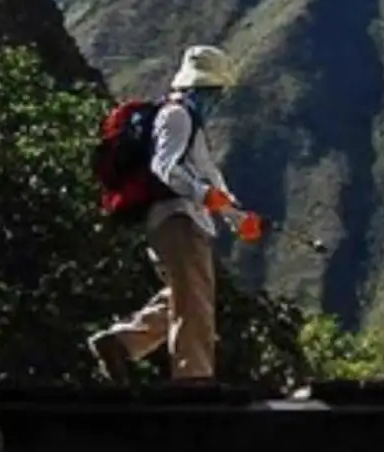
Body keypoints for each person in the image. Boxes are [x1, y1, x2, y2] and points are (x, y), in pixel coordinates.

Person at [88, 45, 259, 384]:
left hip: (179, 218)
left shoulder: (187, 119)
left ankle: (121, 342)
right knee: (194, 303)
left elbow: (209, 176)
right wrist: (204, 195)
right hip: (178, 219)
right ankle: (193, 379)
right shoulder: (177, 115)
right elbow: (166, 168)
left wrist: (236, 217)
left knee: (185, 292)